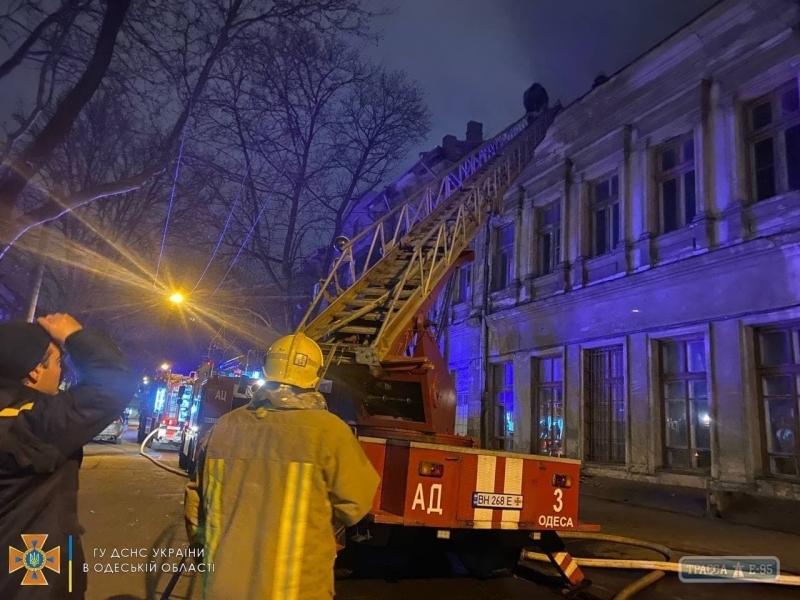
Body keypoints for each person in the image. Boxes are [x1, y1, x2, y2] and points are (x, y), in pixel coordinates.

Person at [184, 332, 380, 600]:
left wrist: (207, 561)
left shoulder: (224, 427)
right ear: (316, 376)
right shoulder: (331, 432)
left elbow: (195, 510)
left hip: (224, 587)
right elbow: (355, 506)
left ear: (266, 368)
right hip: (298, 590)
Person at [0, 313, 137, 599]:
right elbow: (113, 384)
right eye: (58, 362)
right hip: (29, 579)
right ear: (36, 371)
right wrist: (76, 335)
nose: (61, 373)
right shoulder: (31, 424)